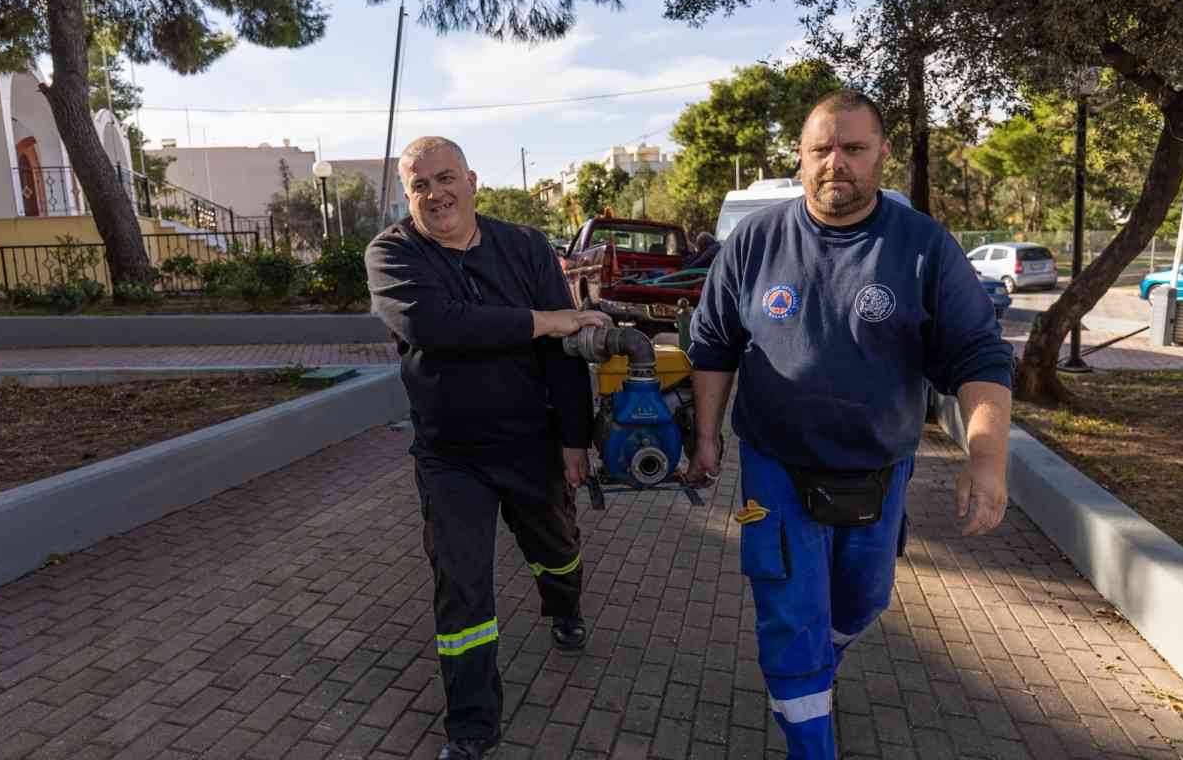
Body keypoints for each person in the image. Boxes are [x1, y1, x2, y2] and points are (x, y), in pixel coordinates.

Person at [685, 91, 1013, 759]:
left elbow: (979, 354)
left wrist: (987, 460)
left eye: (853, 148)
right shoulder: (755, 241)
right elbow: (713, 344)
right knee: (790, 614)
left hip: (881, 469)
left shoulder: (922, 246)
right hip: (772, 472)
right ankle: (810, 731)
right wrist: (707, 437)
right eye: (821, 149)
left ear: (882, 153)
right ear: (801, 157)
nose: (835, 163)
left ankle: (817, 665)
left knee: (861, 601)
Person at [365, 136, 610, 760]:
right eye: (420, 185)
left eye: (446, 178)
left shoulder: (524, 245)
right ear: (407, 195)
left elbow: (564, 352)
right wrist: (543, 320)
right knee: (462, 584)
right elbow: (434, 325)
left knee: (556, 551)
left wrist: (574, 439)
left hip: (531, 443)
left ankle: (565, 606)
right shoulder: (392, 252)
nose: (436, 194)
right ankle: (471, 726)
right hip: (450, 456)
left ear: (472, 181)